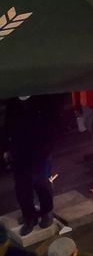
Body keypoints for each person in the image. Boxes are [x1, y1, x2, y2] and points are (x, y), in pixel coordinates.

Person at [2, 95, 57, 235]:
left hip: (40, 151)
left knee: (41, 183)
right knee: (22, 187)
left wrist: (47, 149)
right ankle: (29, 217)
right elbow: (7, 126)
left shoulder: (41, 100)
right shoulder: (13, 102)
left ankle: (46, 212)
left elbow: (52, 125)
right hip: (19, 152)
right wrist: (7, 148)